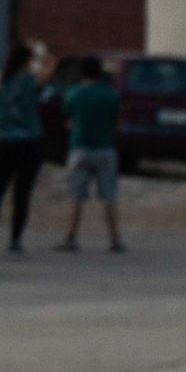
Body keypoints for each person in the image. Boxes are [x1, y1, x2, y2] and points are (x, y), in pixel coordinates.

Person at [0, 42, 47, 256]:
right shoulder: (33, 80)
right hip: (30, 143)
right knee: (21, 194)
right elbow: (50, 68)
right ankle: (15, 242)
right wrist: (41, 56)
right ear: (27, 60)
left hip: (4, 143)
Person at [56, 57, 126, 253]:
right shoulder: (110, 95)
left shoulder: (73, 94)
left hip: (79, 147)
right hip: (105, 148)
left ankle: (71, 236)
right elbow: (117, 122)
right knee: (109, 195)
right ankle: (114, 238)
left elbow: (67, 120)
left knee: (76, 195)